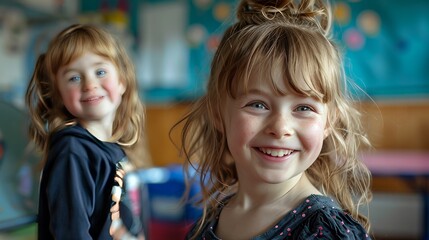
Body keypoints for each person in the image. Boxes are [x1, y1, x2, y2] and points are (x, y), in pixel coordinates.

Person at [176, 0, 373, 239]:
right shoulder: (211, 218)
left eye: (303, 107)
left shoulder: (324, 232)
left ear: (329, 122)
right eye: (257, 105)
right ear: (217, 114)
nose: (280, 128)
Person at [25, 24, 146, 239]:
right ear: (60, 95)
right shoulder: (73, 151)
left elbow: (116, 223)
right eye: (74, 78)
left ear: (122, 81)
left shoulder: (112, 148)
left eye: (100, 72)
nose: (90, 84)